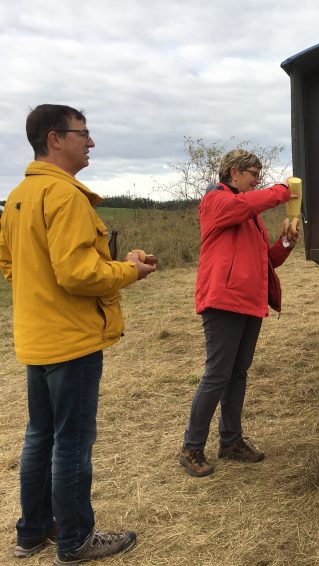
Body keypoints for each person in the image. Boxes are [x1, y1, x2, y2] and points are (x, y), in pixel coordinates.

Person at [0, 104, 157, 563]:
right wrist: (130, 270)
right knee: (71, 441)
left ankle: (32, 533)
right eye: (82, 133)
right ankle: (75, 539)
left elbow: (9, 264)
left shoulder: (18, 197)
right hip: (72, 340)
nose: (90, 142)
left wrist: (40, 291)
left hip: (37, 338)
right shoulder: (65, 196)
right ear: (55, 138)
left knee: (40, 435)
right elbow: (79, 274)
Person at [179, 149, 299, 477]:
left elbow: (266, 260)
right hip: (223, 301)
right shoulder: (216, 201)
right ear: (234, 172)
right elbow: (243, 205)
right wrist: (282, 192)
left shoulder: (250, 217)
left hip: (249, 302)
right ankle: (191, 447)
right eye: (253, 175)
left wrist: (285, 244)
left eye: (260, 176)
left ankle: (230, 441)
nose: (257, 181)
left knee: (237, 374)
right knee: (217, 374)